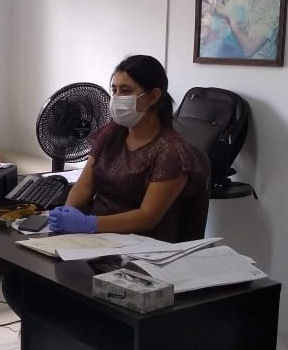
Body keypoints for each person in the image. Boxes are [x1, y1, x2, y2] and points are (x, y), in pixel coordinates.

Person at [48, 55, 207, 242]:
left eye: (126, 91)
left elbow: (147, 217)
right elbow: (85, 184)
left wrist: (89, 224)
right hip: (95, 238)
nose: (116, 98)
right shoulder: (111, 133)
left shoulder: (171, 151)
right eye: (114, 90)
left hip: (143, 245)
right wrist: (69, 214)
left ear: (153, 96)